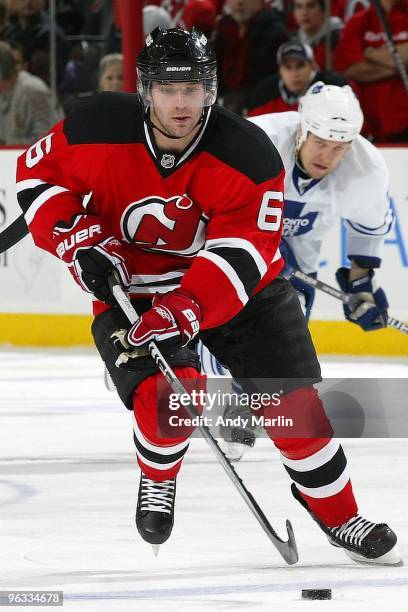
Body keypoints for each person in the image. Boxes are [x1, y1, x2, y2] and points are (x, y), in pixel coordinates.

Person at [15, 27, 400, 566]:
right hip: (137, 290)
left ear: (211, 91)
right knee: (172, 396)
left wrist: (188, 307)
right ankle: (158, 476)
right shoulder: (94, 123)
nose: (180, 102)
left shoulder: (248, 153)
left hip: (240, 291)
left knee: (295, 409)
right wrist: (75, 237)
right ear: (146, 90)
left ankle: (339, 515)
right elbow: (36, 179)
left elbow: (242, 254)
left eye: (192, 88)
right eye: (169, 88)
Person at [220, 81, 393, 457]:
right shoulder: (259, 140)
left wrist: (361, 287)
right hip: (233, 237)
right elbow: (213, 200)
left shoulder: (365, 169)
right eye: (320, 142)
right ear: (302, 129)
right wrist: (263, 246)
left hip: (299, 257)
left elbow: (366, 232)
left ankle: (244, 405)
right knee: (220, 315)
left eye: (339, 147)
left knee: (285, 324)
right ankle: (165, 357)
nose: (328, 156)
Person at [333, 0, 408, 142]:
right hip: (369, 123)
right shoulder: (358, 21)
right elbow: (351, 69)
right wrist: (401, 64)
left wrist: (371, 53)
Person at [214, 0, 289, 114]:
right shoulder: (223, 29)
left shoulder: (274, 31)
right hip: (225, 103)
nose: (239, 3)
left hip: (262, 107)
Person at [247, 40, 347, 116]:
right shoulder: (264, 92)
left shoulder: (333, 87)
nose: (294, 74)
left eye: (300, 66)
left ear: (313, 66)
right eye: (288, 67)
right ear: (280, 69)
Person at [0, 41, 61, 145]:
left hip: (36, 159)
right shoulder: (4, 91)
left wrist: (7, 144)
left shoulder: (33, 89)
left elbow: (48, 139)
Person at [293, 0, 343, 70]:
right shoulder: (293, 41)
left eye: (311, 6)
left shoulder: (340, 37)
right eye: (299, 7)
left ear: (324, 10)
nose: (304, 12)